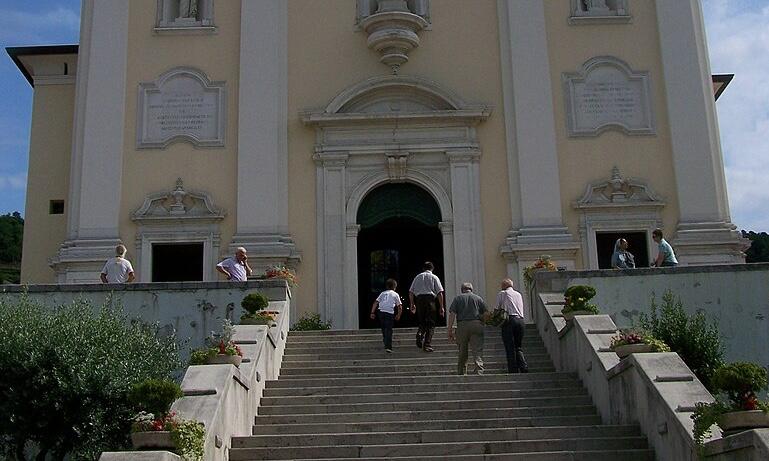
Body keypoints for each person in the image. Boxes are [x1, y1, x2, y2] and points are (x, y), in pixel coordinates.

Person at [447, 282, 488, 375]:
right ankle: (479, 370)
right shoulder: (478, 298)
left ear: (462, 290)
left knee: (462, 350)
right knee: (477, 350)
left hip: (462, 325)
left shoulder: (457, 299)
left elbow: (452, 314)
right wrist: (483, 324)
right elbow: (486, 313)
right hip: (476, 324)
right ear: (471, 289)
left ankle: (462, 372)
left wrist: (450, 329)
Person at [408, 261, 445, 352]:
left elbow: (411, 292)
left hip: (419, 300)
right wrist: (441, 306)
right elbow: (440, 293)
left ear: (423, 268)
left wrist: (412, 304)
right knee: (431, 323)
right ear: (432, 268)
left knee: (422, 320)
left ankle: (420, 333)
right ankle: (427, 344)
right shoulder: (434, 277)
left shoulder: (417, 277)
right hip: (430, 300)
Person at [496, 278, 528, 373]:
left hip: (509, 320)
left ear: (504, 286)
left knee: (509, 346)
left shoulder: (502, 293)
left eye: (502, 285)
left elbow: (497, 308)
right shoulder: (518, 294)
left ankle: (513, 369)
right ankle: (523, 366)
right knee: (518, 346)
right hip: (520, 320)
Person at [370, 278, 403, 353]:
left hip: (381, 312)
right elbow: (399, 306)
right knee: (389, 329)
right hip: (389, 312)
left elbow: (375, 302)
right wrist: (399, 314)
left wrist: (372, 312)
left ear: (387, 287)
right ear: (395, 287)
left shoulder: (382, 293)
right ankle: (388, 346)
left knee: (383, 327)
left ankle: (385, 339)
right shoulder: (395, 294)